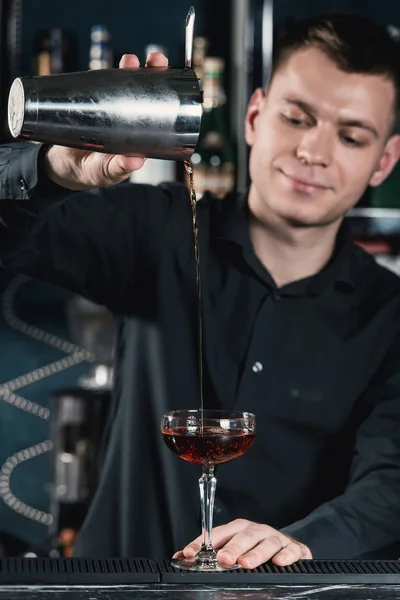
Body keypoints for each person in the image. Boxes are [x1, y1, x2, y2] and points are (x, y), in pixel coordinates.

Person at [1, 12, 400, 568]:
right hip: (115, 583)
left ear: (384, 160)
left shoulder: (389, 315)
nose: (314, 151)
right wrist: (53, 172)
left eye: (352, 135)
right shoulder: (156, 230)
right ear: (256, 116)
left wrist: (307, 543)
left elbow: (393, 478)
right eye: (296, 117)